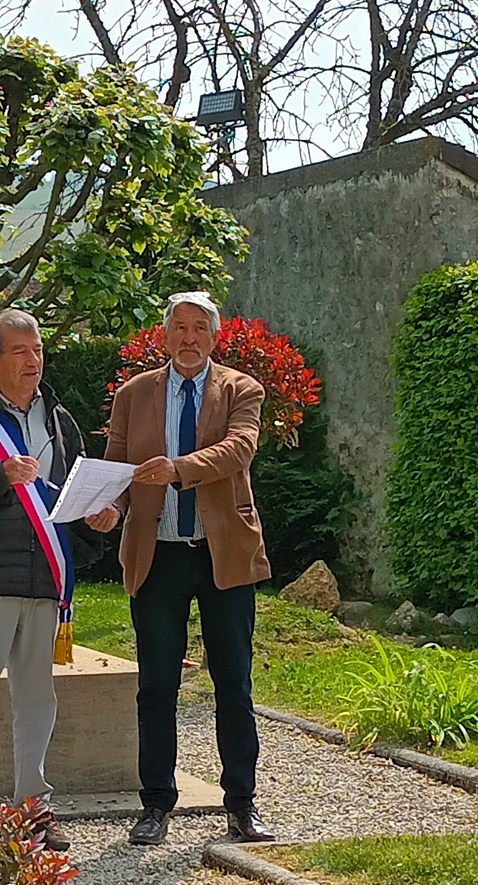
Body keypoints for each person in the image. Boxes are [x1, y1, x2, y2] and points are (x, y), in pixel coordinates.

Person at [0, 309, 119, 853]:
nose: (33, 360)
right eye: (20, 352)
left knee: (38, 700)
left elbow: (72, 491)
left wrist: (100, 515)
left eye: (37, 350)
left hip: (43, 585)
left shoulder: (59, 419)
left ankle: (33, 808)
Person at [102, 290, 275, 846]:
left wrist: (176, 469)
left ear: (214, 336)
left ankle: (242, 806)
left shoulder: (241, 389)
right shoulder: (134, 394)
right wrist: (109, 507)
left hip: (223, 555)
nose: (189, 338)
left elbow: (238, 450)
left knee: (234, 685)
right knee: (156, 685)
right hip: (158, 556)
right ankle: (155, 805)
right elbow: (119, 471)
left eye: (200, 327)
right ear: (165, 334)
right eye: (179, 327)